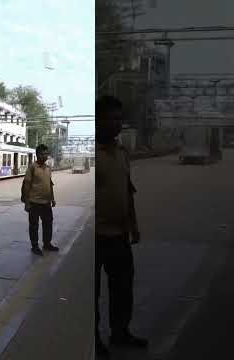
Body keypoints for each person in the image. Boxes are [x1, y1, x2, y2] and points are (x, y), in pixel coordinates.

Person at [95, 96, 148, 358]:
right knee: (91, 294)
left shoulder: (122, 153)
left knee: (123, 288)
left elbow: (128, 191)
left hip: (119, 236)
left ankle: (120, 332)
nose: (117, 124)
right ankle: (93, 339)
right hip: (94, 239)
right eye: (111, 118)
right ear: (98, 120)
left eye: (119, 118)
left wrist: (134, 225)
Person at [21, 144, 59, 256]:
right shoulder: (32, 167)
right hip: (34, 202)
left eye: (46, 154)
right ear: (37, 155)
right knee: (34, 226)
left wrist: (52, 199)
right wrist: (27, 203)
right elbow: (27, 184)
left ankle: (47, 244)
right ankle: (35, 246)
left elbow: (50, 184)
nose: (45, 156)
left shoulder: (48, 168)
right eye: (42, 154)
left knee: (48, 223)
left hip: (46, 203)